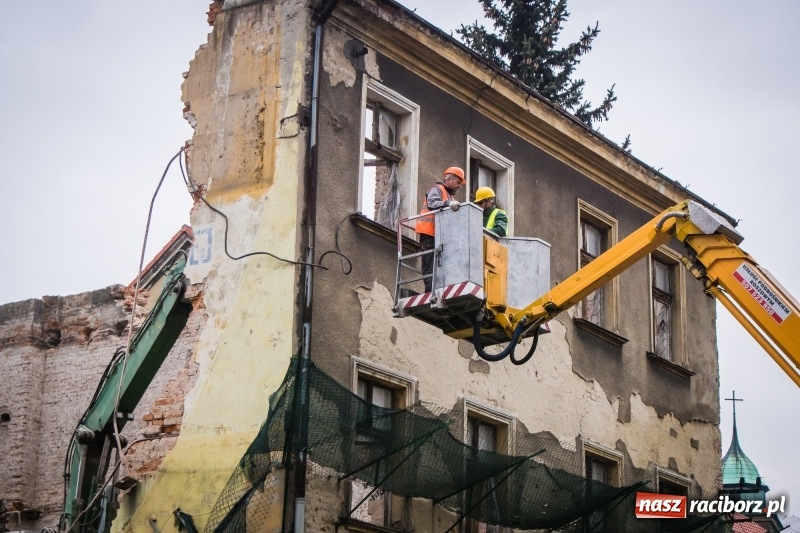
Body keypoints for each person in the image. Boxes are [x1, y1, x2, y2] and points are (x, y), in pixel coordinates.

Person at [416, 166, 465, 292]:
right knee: (429, 266)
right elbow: (432, 203)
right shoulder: (437, 189)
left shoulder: (450, 197)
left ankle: (437, 291)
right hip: (429, 234)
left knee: (440, 267)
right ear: (449, 179)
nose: (459, 186)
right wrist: (447, 204)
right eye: (458, 182)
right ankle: (429, 293)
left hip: (441, 237)